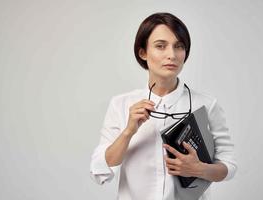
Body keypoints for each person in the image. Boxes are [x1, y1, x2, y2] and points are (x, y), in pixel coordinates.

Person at [90, 12, 237, 200]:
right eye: (161, 46)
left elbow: (229, 165)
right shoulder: (121, 104)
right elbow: (100, 169)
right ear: (143, 52)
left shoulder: (207, 105)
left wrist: (201, 169)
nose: (172, 55)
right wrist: (128, 131)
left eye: (179, 46)